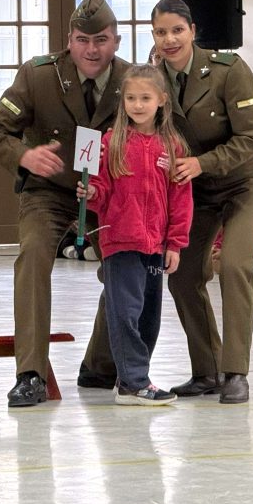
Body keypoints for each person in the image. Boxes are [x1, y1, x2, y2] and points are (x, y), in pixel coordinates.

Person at [81, 0, 253, 405]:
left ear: (193, 31)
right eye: (161, 32)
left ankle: (236, 372)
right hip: (191, 186)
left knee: (235, 265)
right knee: (182, 274)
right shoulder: (150, 79)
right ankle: (208, 370)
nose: (169, 39)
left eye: (177, 31)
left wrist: (203, 163)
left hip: (241, 182)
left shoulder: (228, 70)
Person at [0, 0, 128, 407]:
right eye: (82, 40)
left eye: (101, 39)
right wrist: (25, 156)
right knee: (32, 257)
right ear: (69, 40)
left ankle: (100, 364)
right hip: (49, 191)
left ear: (116, 40)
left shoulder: (133, 82)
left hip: (107, 195)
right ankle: (30, 372)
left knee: (125, 268)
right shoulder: (38, 75)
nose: (91, 49)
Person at [76, 64, 193, 406]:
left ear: (162, 101)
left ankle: (134, 377)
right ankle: (133, 381)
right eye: (131, 98)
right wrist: (90, 193)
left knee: (148, 316)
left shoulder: (172, 147)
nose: (138, 105)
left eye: (145, 98)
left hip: (154, 246)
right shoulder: (111, 144)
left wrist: (175, 243)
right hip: (120, 243)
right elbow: (100, 191)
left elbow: (180, 199)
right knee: (124, 312)